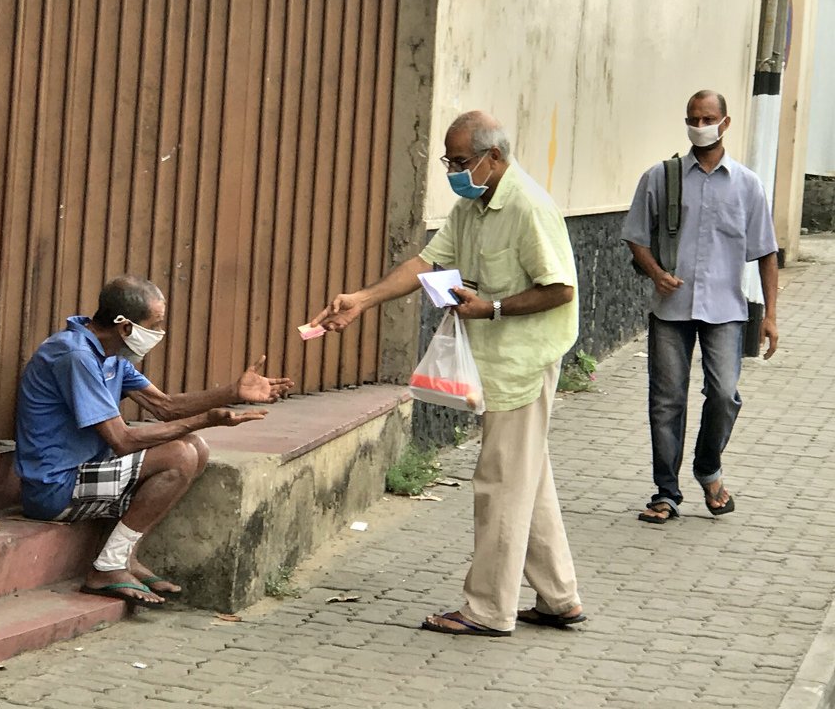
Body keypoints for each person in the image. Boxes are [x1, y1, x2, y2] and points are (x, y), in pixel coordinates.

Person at [312, 110, 585, 636]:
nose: (453, 171)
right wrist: (362, 300)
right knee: (529, 479)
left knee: (501, 485)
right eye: (448, 161)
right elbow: (426, 264)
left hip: (523, 363)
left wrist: (494, 309)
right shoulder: (473, 205)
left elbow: (562, 288)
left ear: (495, 158)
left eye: (461, 161)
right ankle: (559, 597)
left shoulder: (527, 206)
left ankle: (487, 610)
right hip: (498, 361)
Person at [15, 275, 293, 607]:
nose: (159, 333)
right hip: (54, 488)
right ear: (125, 326)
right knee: (179, 454)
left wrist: (233, 393)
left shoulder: (111, 354)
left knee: (196, 448)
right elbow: (122, 440)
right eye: (155, 324)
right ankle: (107, 568)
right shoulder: (75, 356)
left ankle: (124, 557)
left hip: (87, 472)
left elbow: (166, 407)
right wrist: (205, 420)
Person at [622, 90, 779, 525]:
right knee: (667, 400)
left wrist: (769, 315)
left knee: (725, 395)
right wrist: (655, 272)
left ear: (725, 123)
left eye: (708, 117)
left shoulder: (747, 184)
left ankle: (708, 468)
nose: (700, 124)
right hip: (670, 309)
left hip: (726, 310)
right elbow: (635, 235)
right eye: (693, 117)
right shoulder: (660, 177)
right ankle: (666, 493)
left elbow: (767, 251)